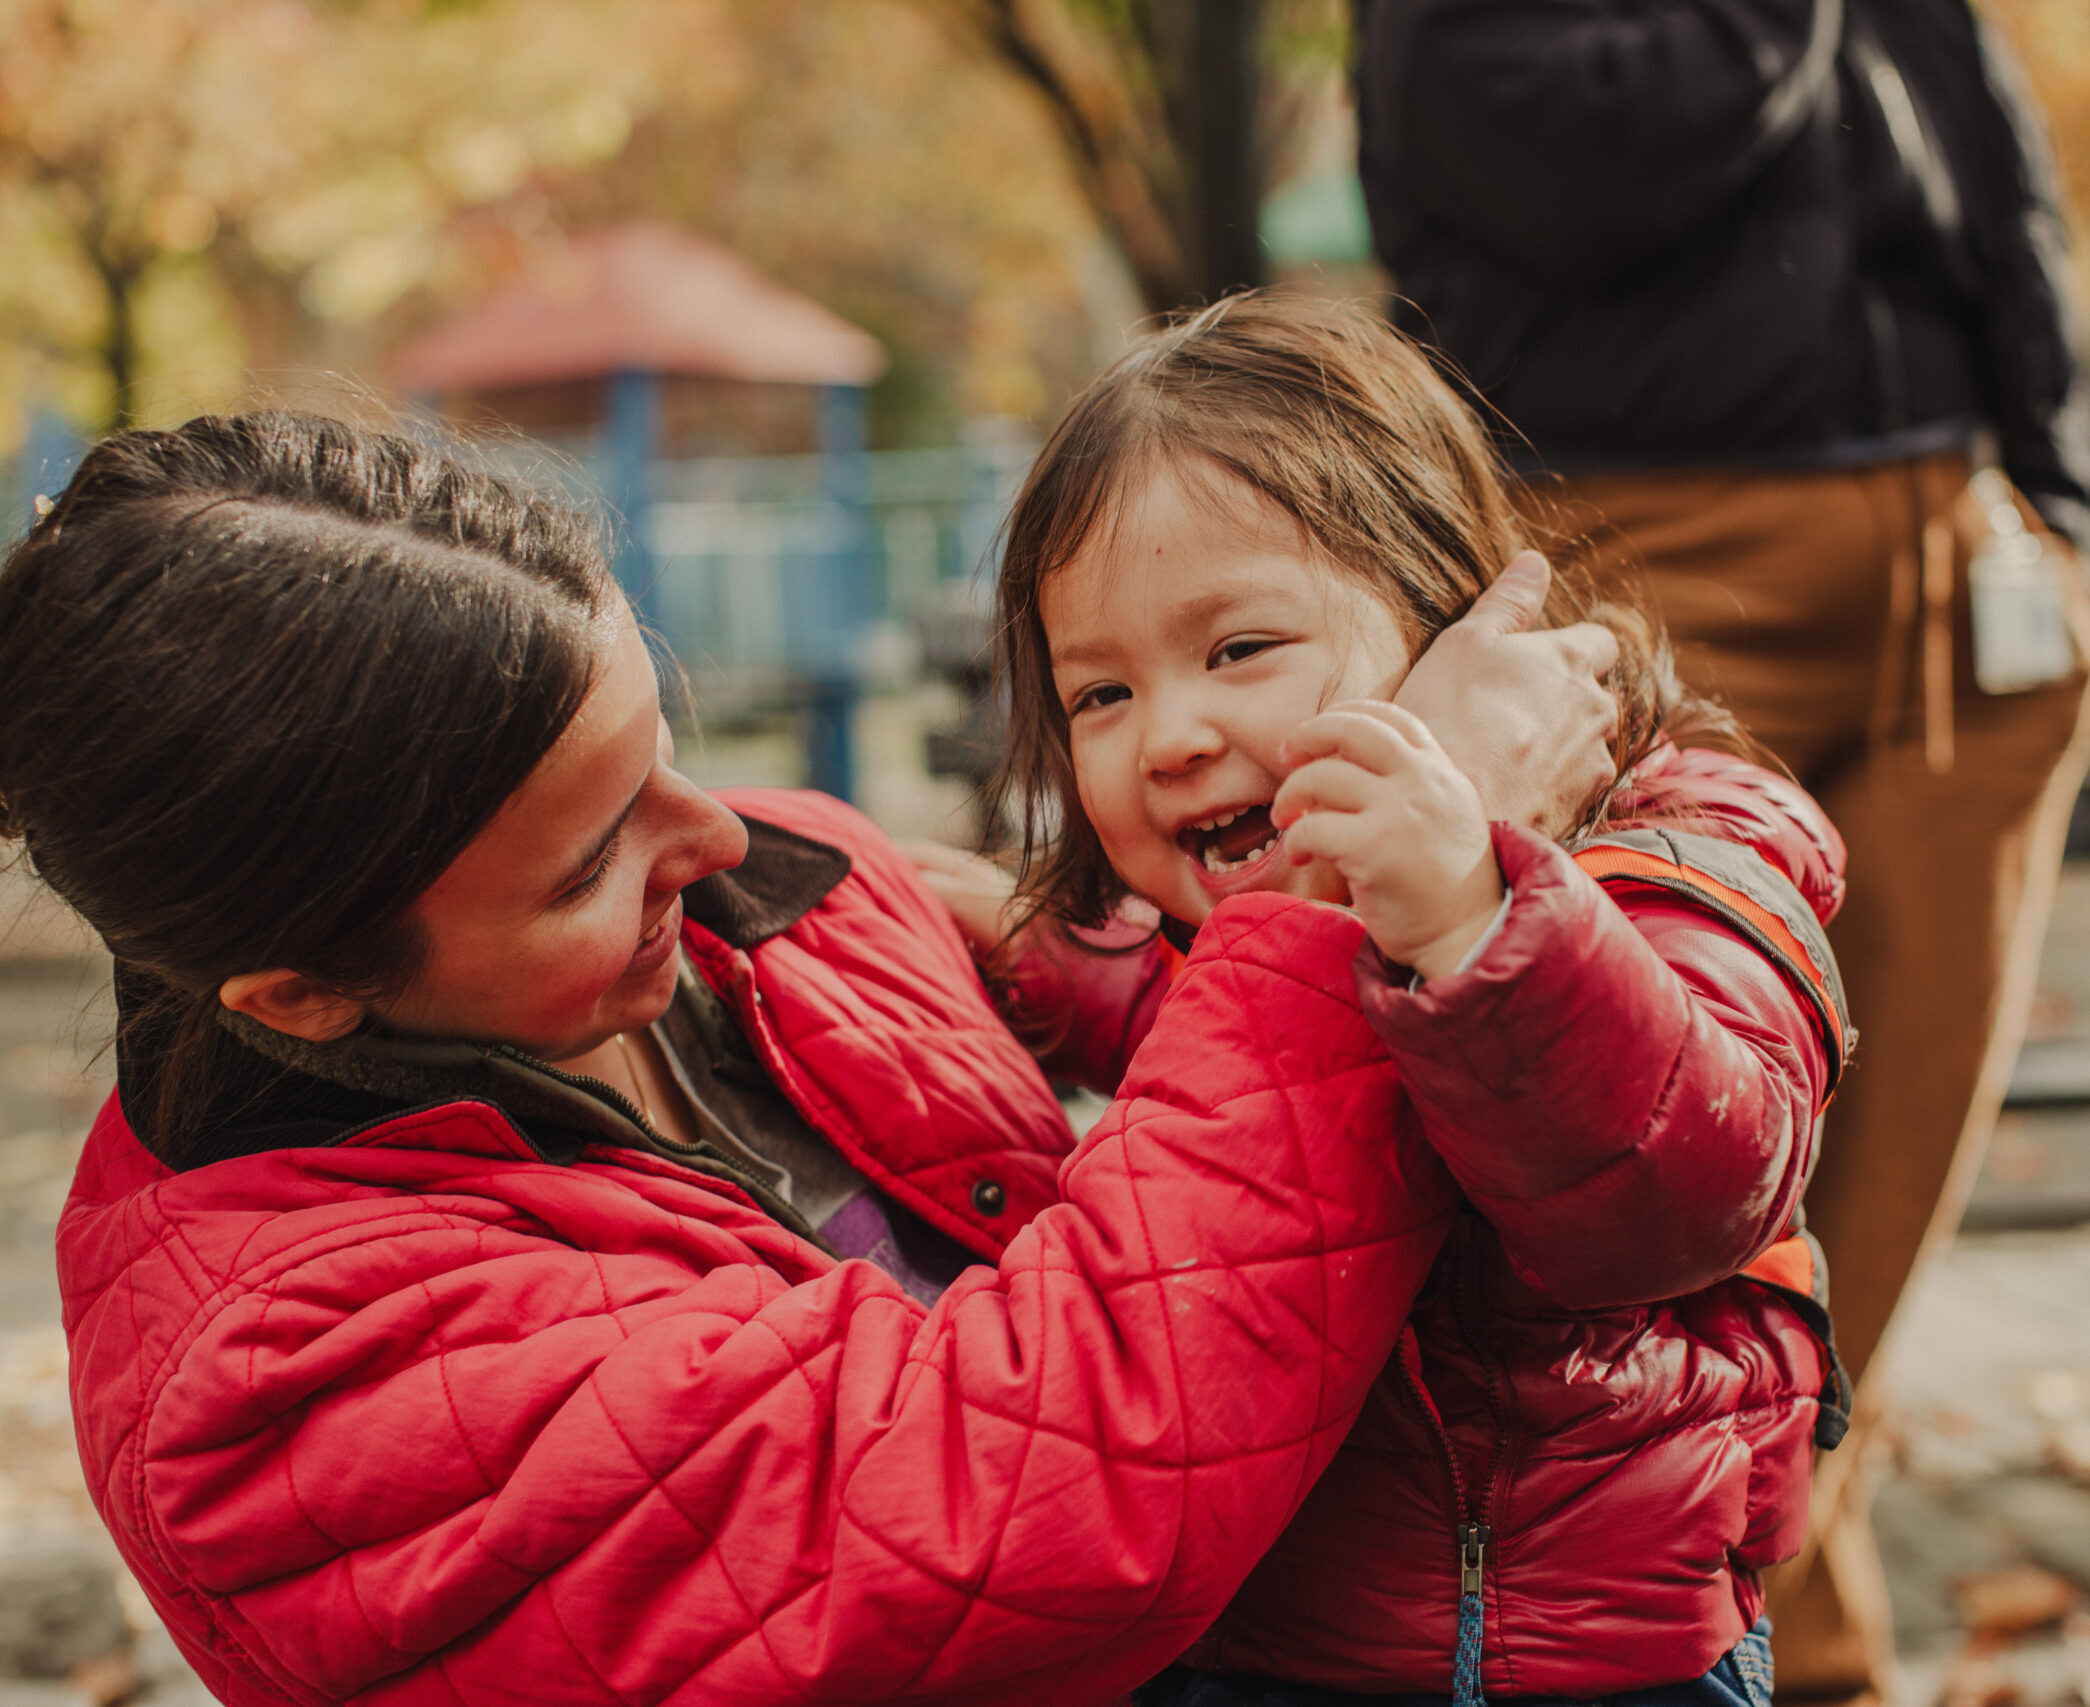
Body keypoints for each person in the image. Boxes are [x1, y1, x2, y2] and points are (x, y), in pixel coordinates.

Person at [4, 411, 1626, 1707]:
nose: (715, 834)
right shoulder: (300, 1391)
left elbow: (1161, 999)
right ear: (299, 995)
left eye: (663, 749)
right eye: (584, 866)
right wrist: (1361, 889)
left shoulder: (768, 889)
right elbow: (1040, 1499)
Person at [951, 294, 1852, 1704]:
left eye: (1239, 650)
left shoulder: (1672, 858)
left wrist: (1478, 926)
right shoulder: (1221, 919)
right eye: (1100, 694)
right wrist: (984, 939)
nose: (1172, 737)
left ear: (1452, 618)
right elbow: (1187, 1029)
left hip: (1578, 1659)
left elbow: (1675, 1196)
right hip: (1259, 1641)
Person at [1352, 4, 2090, 1695]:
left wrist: (2050, 486)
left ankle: (1787, 1615)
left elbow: (1991, 167)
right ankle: (1791, 1656)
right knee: (1685, 1209)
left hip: (1965, 598)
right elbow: (1586, 172)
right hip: (1653, 559)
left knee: (1868, 1236)